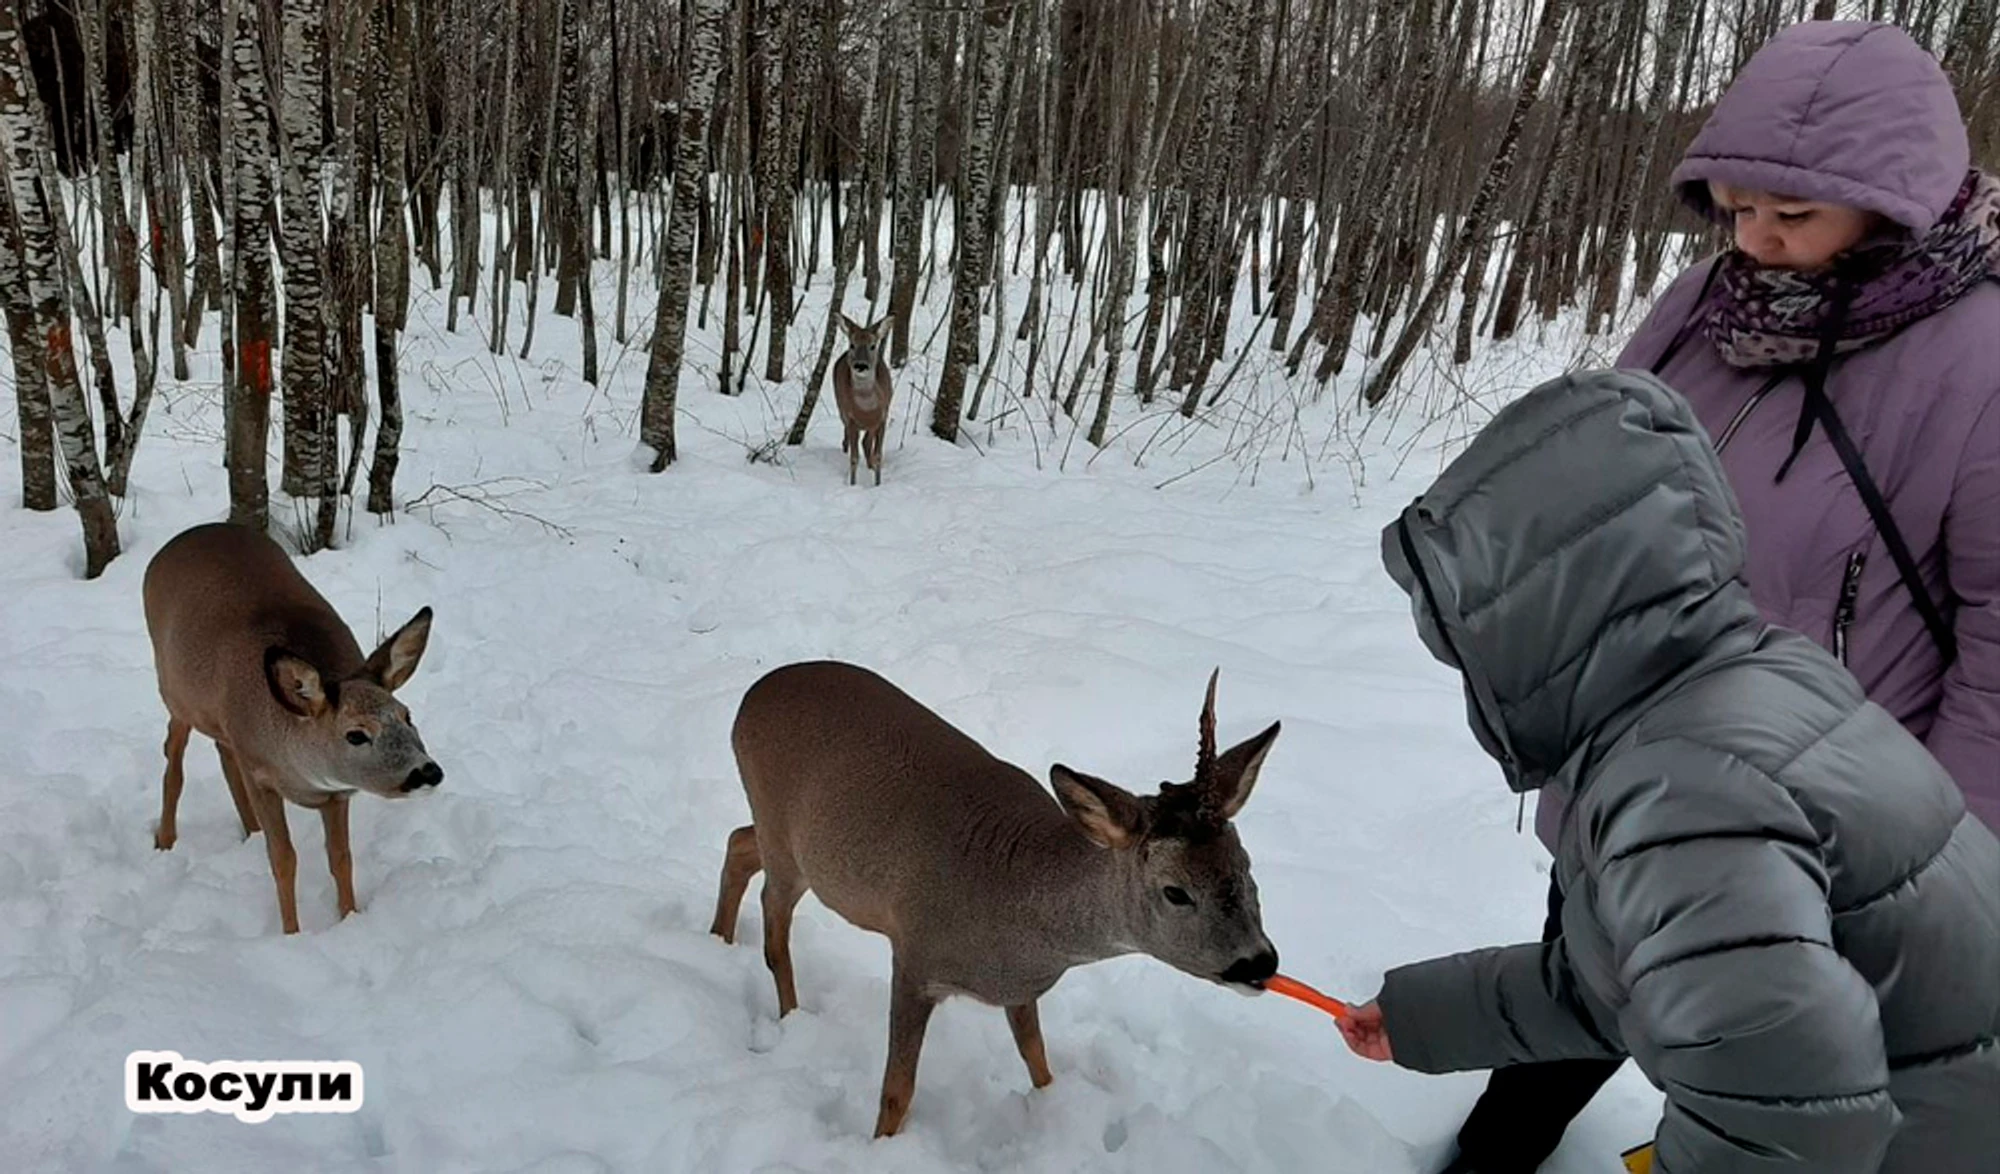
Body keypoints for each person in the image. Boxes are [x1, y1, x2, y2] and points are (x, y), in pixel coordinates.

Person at [1438, 19, 2000, 1171]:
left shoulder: (1978, 359)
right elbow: (1607, 473)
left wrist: (1943, 859)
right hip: (1639, 752)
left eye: (1790, 216)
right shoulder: (1706, 301)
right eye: (1736, 207)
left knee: (1769, 1059)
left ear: (1897, 200)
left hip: (1833, 823)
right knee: (1590, 965)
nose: (1755, 239)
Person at [1340, 367, 1999, 1174]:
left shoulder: (1682, 791)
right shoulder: (1749, 684)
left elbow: (1780, 1130)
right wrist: (1424, 1018)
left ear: (1526, 631)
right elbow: (1642, 982)